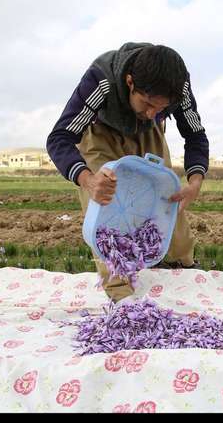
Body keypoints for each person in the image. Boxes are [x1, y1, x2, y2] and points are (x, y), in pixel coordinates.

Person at [47, 42, 209, 302]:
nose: (153, 111)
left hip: (149, 132)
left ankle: (182, 270)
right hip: (103, 134)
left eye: (161, 107)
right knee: (106, 202)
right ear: (130, 82)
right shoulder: (101, 79)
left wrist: (195, 180)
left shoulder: (177, 87)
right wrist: (89, 181)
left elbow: (195, 134)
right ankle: (122, 295)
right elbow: (59, 138)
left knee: (167, 198)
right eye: (147, 103)